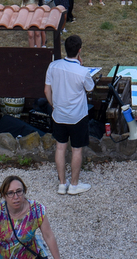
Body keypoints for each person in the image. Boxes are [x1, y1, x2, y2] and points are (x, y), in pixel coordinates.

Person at [44, 35, 94, 195]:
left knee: (60, 147)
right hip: (77, 116)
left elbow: (47, 90)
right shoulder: (82, 71)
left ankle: (61, 183)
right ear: (79, 50)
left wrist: (54, 106)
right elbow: (90, 88)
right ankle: (74, 184)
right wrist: (82, 66)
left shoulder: (53, 66)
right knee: (77, 150)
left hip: (59, 114)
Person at [0, 175, 61, 259]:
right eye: (10, 193)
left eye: (19, 191)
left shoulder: (36, 209)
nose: (16, 197)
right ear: (4, 195)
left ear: (24, 191)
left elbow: (48, 235)